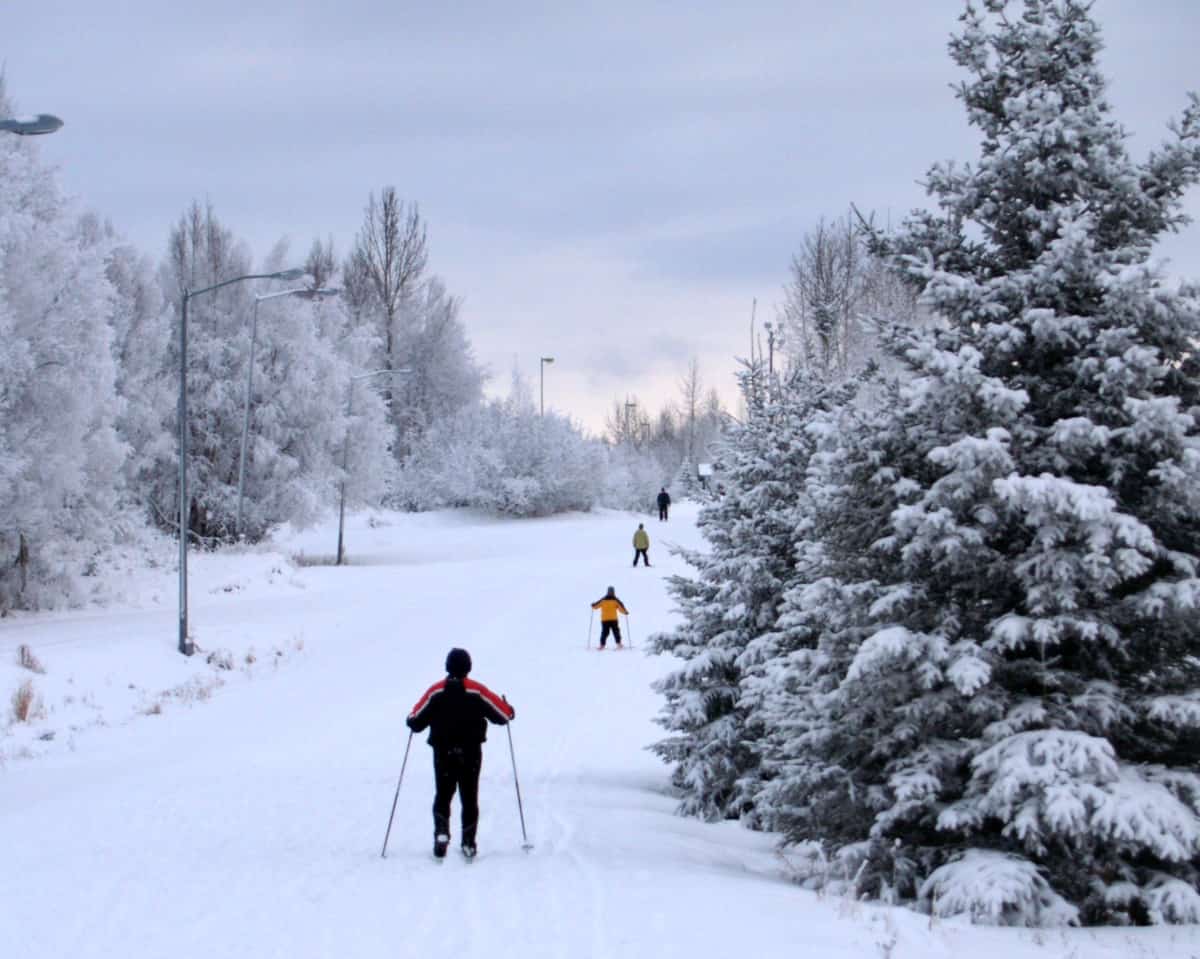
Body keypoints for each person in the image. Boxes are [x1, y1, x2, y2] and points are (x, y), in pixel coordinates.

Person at [406, 648, 515, 860]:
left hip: (443, 751)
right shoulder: (477, 690)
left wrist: (410, 719)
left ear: (447, 666)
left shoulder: (436, 691)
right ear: (469, 667)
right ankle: (468, 843)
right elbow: (502, 715)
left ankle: (441, 833)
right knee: (469, 796)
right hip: (470, 752)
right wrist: (509, 709)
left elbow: (416, 721)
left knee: (443, 794)